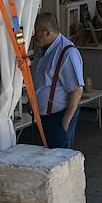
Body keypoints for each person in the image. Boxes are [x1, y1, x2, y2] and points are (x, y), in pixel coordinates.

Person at [31, 12, 84, 148]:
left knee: (59, 160)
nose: (34, 36)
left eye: (37, 31)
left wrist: (65, 122)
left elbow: (76, 90)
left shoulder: (67, 53)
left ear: (47, 32)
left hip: (58, 118)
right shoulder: (40, 50)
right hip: (42, 118)